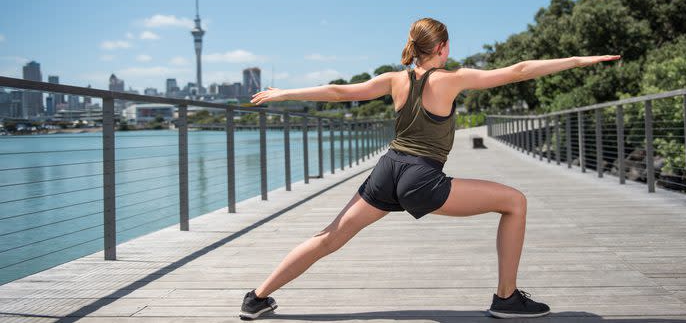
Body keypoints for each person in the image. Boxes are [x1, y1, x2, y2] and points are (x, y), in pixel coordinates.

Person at [239, 17, 620, 320]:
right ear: (442, 48)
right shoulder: (453, 79)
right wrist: (579, 60)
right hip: (421, 177)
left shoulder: (394, 79)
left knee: (329, 237)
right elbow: (519, 69)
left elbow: (340, 92)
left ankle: (257, 298)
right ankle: (506, 298)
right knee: (515, 202)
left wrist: (285, 92)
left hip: (387, 170)